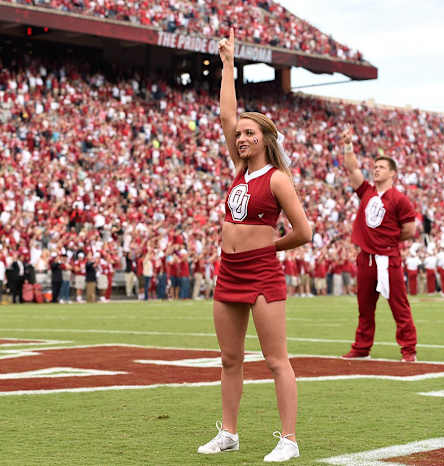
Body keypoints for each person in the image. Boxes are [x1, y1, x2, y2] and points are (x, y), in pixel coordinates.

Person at [197, 29, 311, 462]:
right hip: (228, 271)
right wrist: (228, 64)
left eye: (249, 134)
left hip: (262, 272)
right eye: (239, 135)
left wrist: (270, 249)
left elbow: (304, 231)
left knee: (276, 359)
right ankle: (228, 432)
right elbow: (227, 115)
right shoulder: (239, 173)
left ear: (264, 138)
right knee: (229, 358)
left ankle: (289, 439)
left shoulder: (277, 179)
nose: (241, 138)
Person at [340, 125, 418, 362]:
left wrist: (388, 241)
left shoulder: (400, 199)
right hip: (366, 257)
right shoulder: (367, 191)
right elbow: (352, 168)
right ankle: (362, 347)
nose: (376, 170)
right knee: (364, 307)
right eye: (374, 166)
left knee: (399, 306)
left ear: (393, 173)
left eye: (381, 167)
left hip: (387, 258)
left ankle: (408, 349)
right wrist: (347, 145)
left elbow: (409, 230)